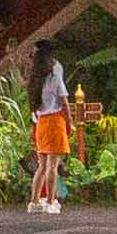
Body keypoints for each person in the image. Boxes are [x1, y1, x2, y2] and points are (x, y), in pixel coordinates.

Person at [26, 56, 75, 213]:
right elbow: (64, 103)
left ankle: (34, 203)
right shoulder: (54, 79)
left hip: (40, 123)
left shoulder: (35, 83)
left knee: (42, 166)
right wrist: (69, 123)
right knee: (52, 166)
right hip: (55, 121)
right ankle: (50, 202)